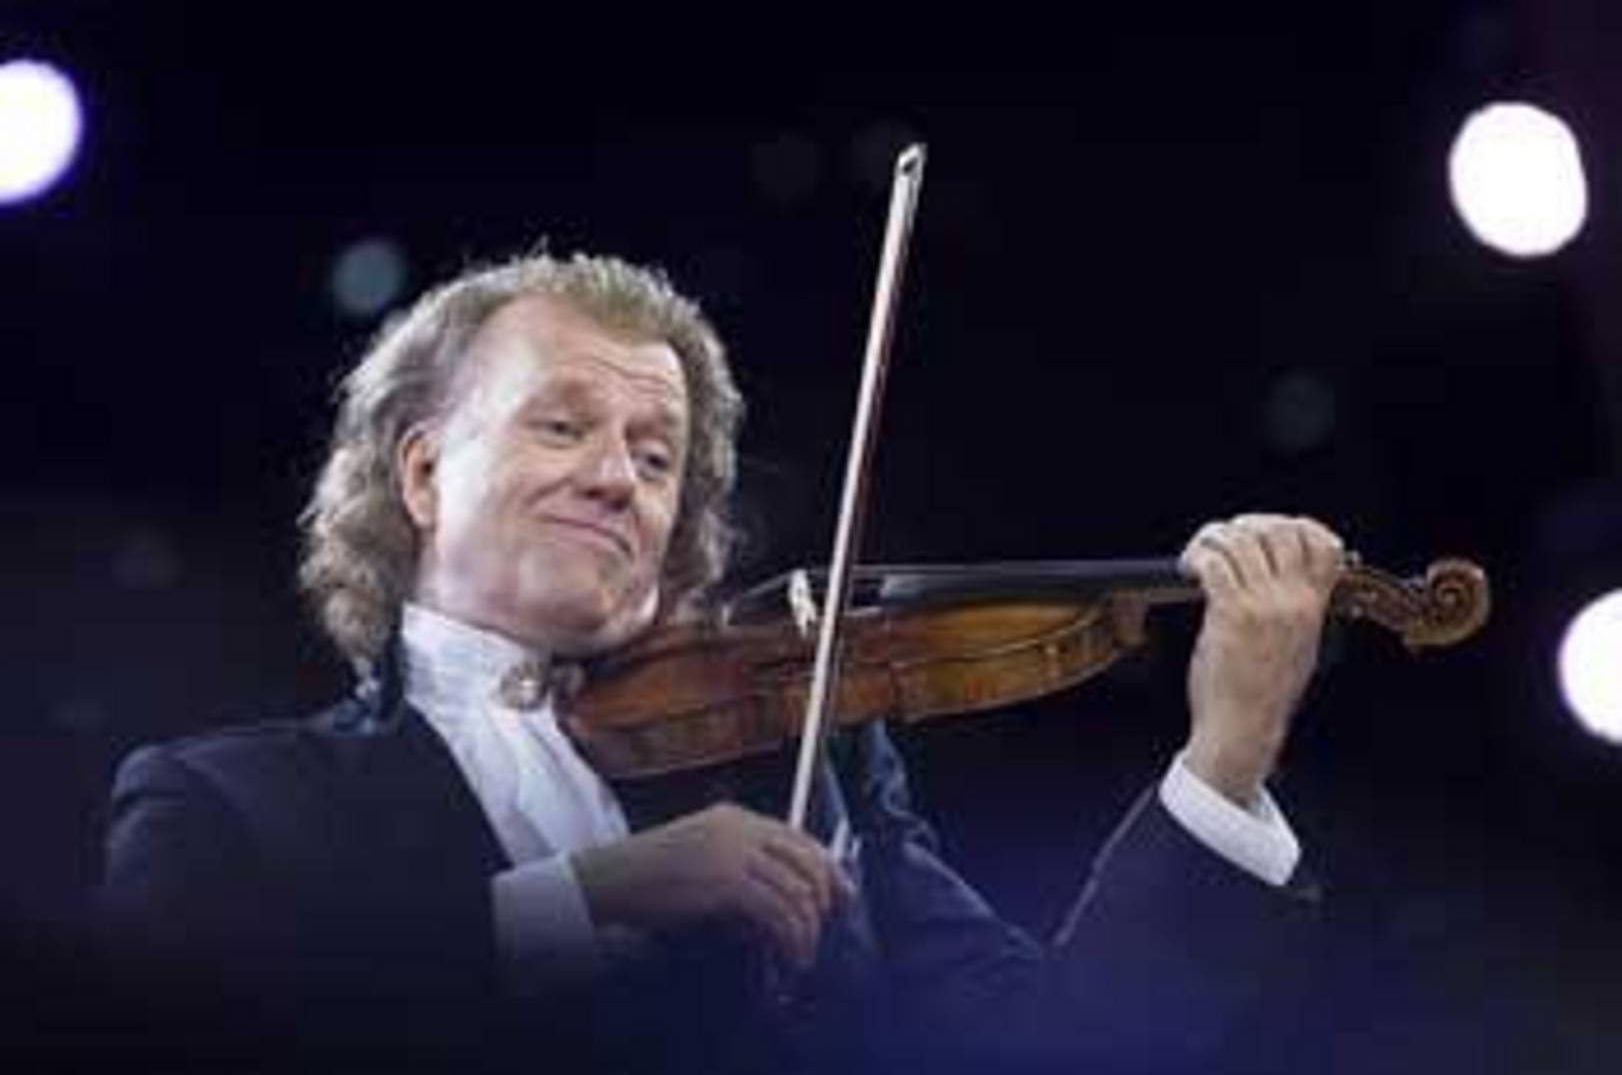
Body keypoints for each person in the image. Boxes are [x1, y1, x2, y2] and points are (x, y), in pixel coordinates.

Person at [99, 252, 1344, 1073]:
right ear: (422, 471)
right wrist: (588, 897)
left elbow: (1058, 1047)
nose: (615, 477)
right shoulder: (225, 805)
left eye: (656, 455)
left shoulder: (811, 761)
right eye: (562, 425)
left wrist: (1223, 756)